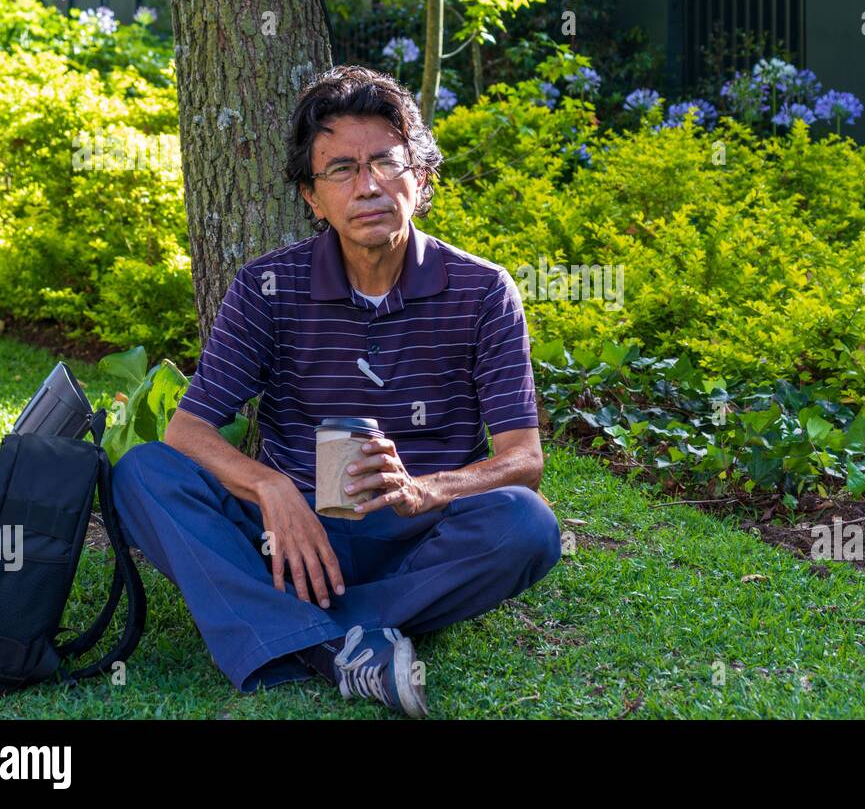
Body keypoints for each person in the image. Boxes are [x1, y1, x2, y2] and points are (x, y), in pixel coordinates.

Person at [111, 65, 561, 718]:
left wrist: (423, 490)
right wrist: (271, 489)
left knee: (527, 524)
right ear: (311, 198)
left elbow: (525, 459)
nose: (369, 184)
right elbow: (189, 430)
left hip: (419, 539)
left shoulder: (483, 291)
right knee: (144, 473)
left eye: (385, 162)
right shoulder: (269, 286)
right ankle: (345, 643)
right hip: (293, 538)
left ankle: (304, 635)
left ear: (422, 177)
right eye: (342, 170)